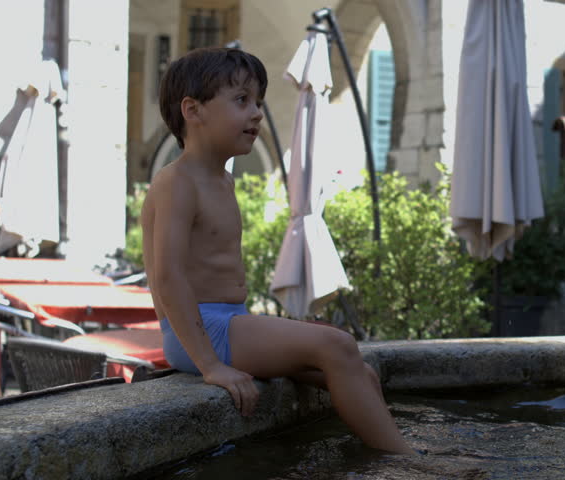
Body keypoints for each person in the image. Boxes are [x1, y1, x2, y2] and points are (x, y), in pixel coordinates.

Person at [141, 47, 414, 455]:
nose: (256, 113)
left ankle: (371, 456)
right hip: (198, 332)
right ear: (193, 111)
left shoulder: (222, 181)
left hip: (231, 322)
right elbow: (168, 277)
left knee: (360, 370)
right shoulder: (176, 181)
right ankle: (411, 463)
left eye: (258, 102)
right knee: (337, 347)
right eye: (241, 101)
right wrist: (211, 366)